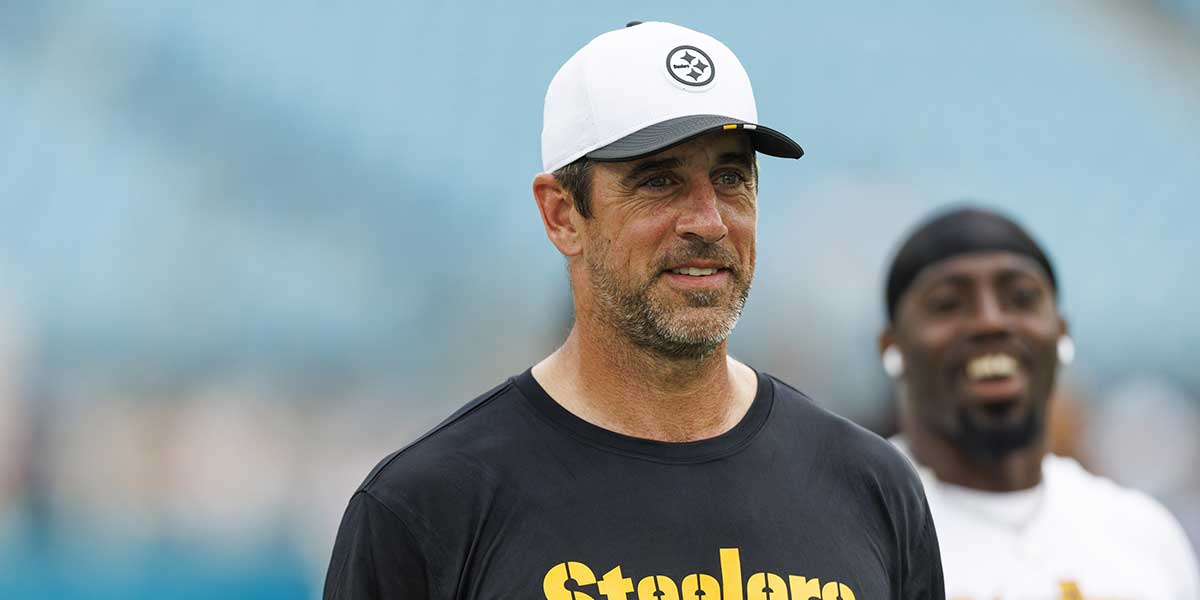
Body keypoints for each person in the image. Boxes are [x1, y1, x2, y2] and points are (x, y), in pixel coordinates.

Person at [324, 21, 944, 599]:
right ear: (562, 215)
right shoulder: (429, 506)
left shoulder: (871, 485)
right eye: (658, 181)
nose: (708, 221)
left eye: (731, 178)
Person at [878, 206, 1200, 599]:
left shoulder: (1142, 533)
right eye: (948, 304)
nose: (991, 322)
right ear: (891, 346)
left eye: (1022, 298)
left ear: (1061, 332)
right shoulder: (858, 524)